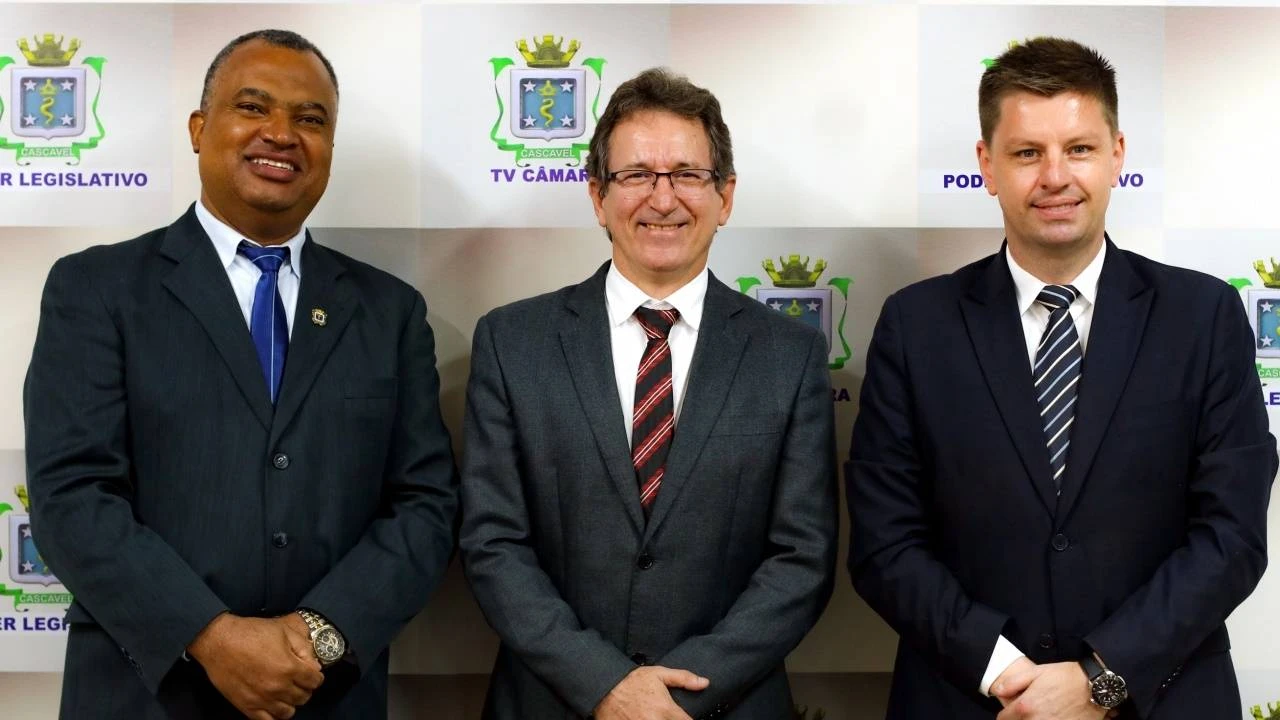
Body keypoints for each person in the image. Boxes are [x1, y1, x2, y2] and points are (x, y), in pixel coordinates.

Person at [24, 29, 458, 720]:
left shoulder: (390, 312)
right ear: (199, 129)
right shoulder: (97, 289)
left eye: (310, 119)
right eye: (253, 107)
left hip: (323, 695)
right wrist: (212, 638)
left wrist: (315, 639)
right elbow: (72, 495)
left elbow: (425, 505)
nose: (281, 133)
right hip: (145, 695)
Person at [848, 37, 1276, 720]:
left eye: (1079, 148)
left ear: (1117, 155)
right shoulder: (915, 325)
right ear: (986, 164)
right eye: (1027, 153)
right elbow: (884, 544)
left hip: (1163, 701)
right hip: (971, 701)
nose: (1055, 176)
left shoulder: (1205, 316)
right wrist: (1007, 675)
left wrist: (1102, 678)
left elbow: (1232, 537)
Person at [459, 67, 838, 720]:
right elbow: (493, 544)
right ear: (597, 195)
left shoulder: (790, 354)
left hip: (723, 705)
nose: (663, 199)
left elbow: (802, 559)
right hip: (554, 701)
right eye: (636, 175)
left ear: (725, 196)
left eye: (687, 174)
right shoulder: (512, 342)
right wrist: (604, 684)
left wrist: (677, 696)